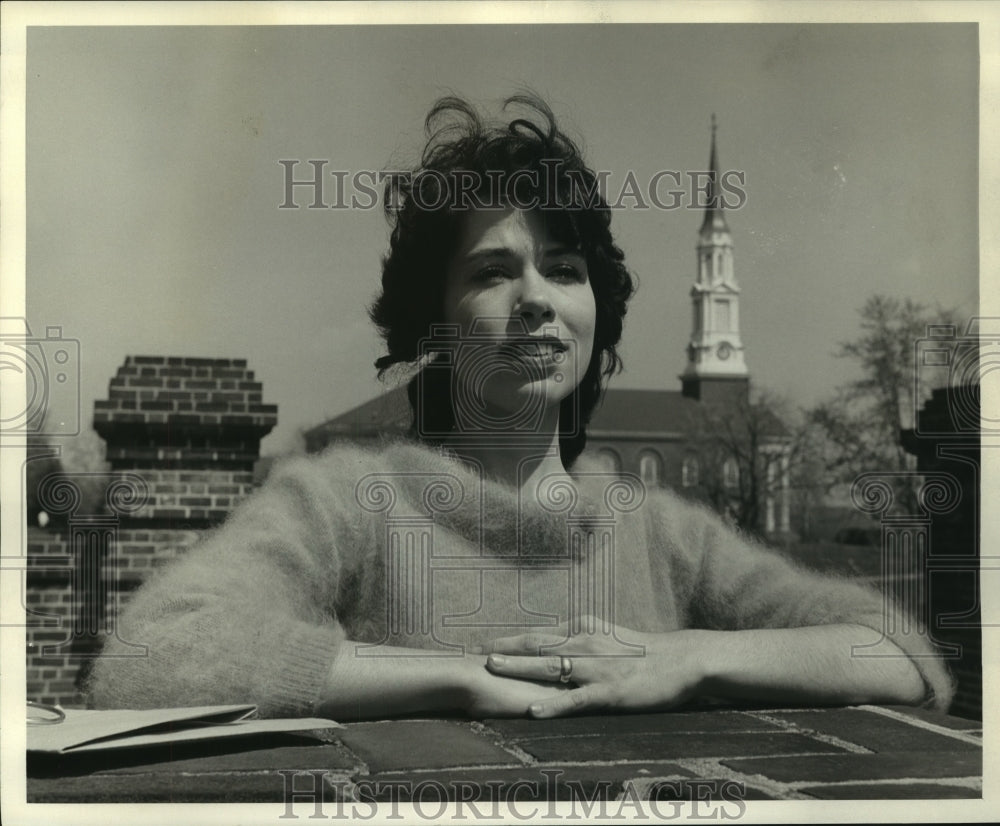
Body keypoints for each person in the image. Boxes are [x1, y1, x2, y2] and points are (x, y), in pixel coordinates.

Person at [88, 95, 954, 720]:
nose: (537, 297)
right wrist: (459, 675)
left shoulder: (658, 533)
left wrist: (689, 658)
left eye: (565, 271)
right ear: (435, 321)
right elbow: (151, 655)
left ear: (594, 320)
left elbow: (898, 654)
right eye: (494, 271)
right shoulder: (345, 502)